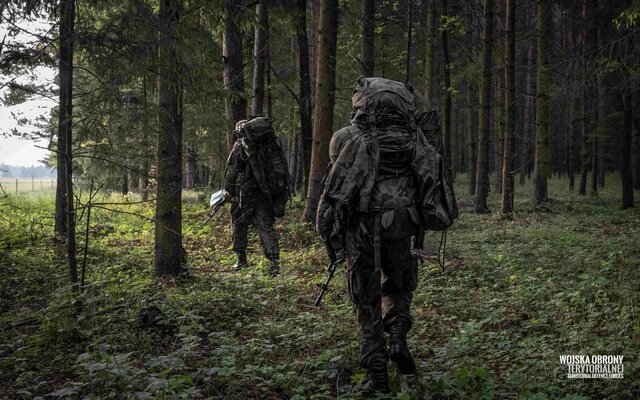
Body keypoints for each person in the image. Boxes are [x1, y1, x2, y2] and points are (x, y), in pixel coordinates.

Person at [318, 77, 425, 395]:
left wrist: (329, 235)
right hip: (403, 225)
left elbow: (334, 191)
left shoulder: (345, 138)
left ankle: (378, 379)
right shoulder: (412, 138)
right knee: (398, 286)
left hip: (362, 231)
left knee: (366, 301)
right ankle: (399, 338)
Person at [224, 117, 289, 277]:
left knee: (239, 225)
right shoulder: (270, 146)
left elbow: (231, 173)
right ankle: (274, 263)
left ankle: (241, 260)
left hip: (243, 195)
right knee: (265, 227)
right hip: (264, 195)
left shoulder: (240, 147)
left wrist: (228, 192)